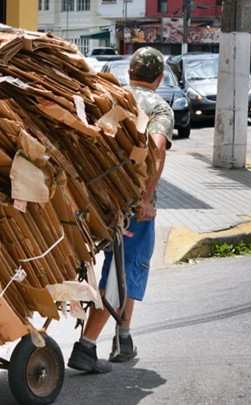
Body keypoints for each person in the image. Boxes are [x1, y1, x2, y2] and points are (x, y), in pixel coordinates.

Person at [67, 47, 174, 373]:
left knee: (125, 270)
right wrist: (144, 200)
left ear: (130, 72)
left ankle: (123, 337)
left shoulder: (108, 95)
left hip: (91, 200)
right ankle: (86, 347)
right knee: (124, 272)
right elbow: (156, 151)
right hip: (128, 207)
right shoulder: (158, 107)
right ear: (158, 78)